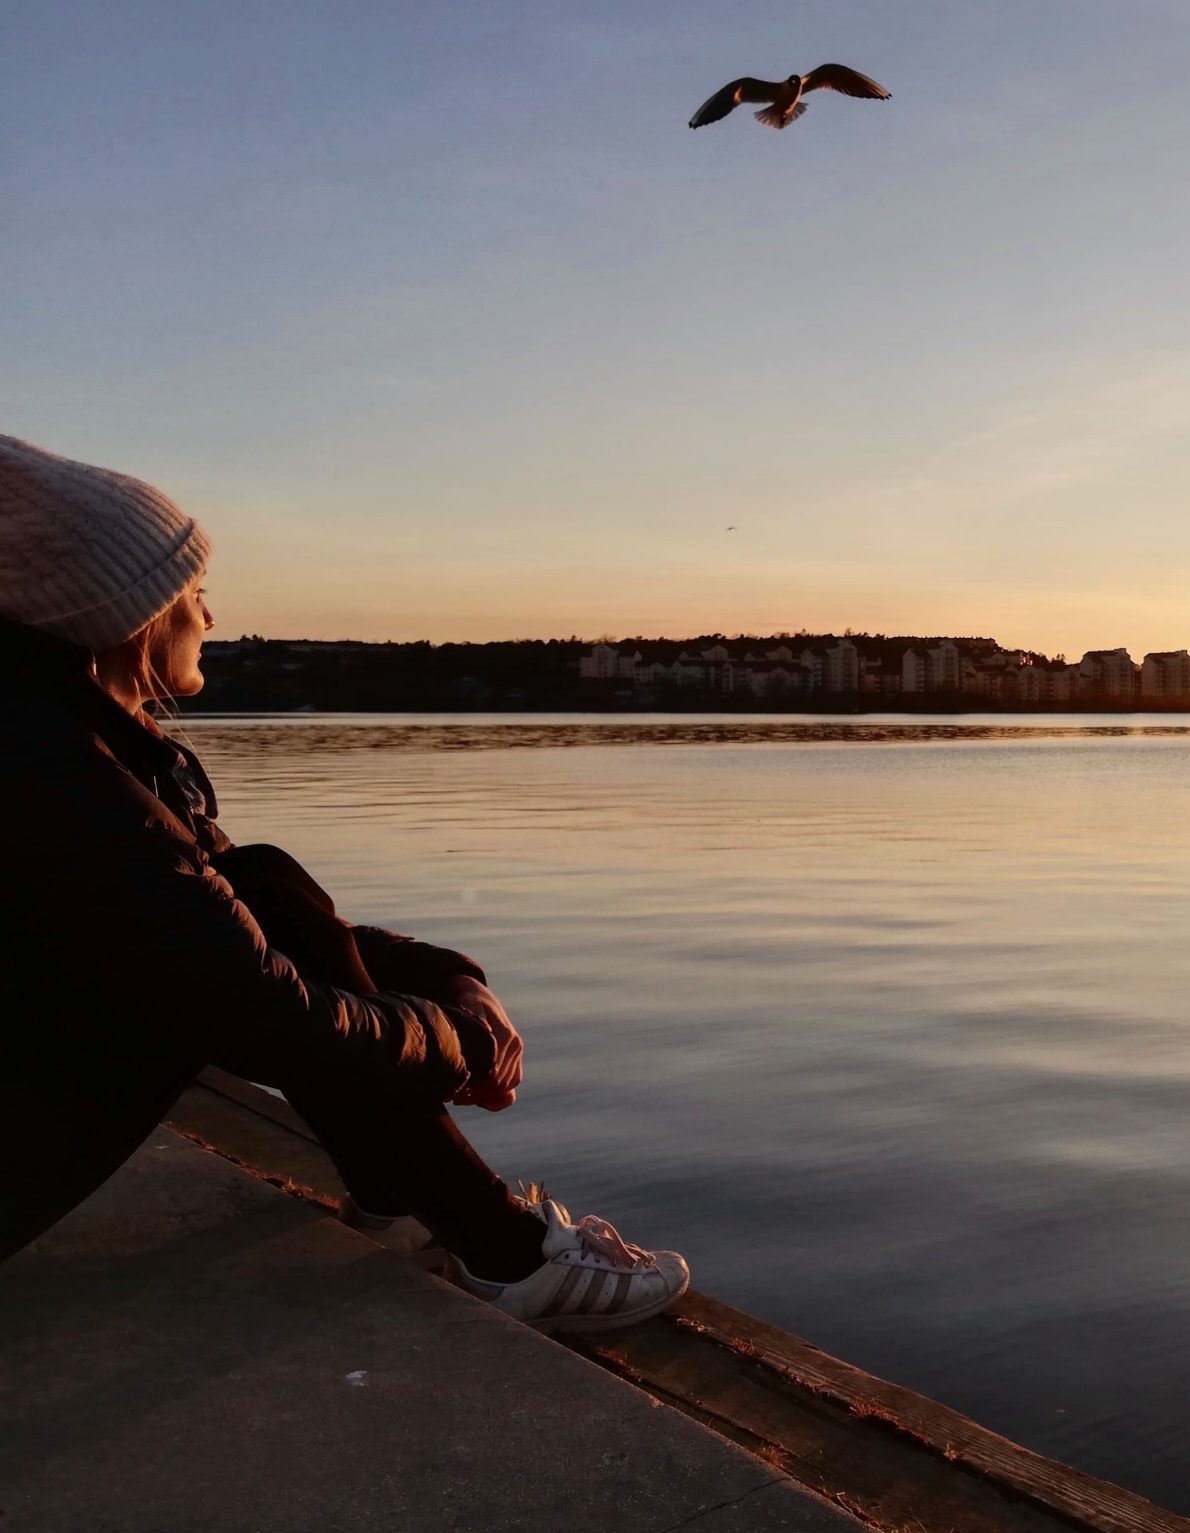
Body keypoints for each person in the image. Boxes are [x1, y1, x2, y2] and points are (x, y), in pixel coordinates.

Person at [0, 433, 687, 1333]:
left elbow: (212, 922)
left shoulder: (59, 744)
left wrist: (444, 974)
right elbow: (261, 1013)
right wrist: (459, 1043)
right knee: (262, 946)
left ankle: (409, 1204)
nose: (210, 616)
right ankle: (510, 1258)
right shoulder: (50, 777)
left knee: (261, 881)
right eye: (193, 594)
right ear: (129, 615)